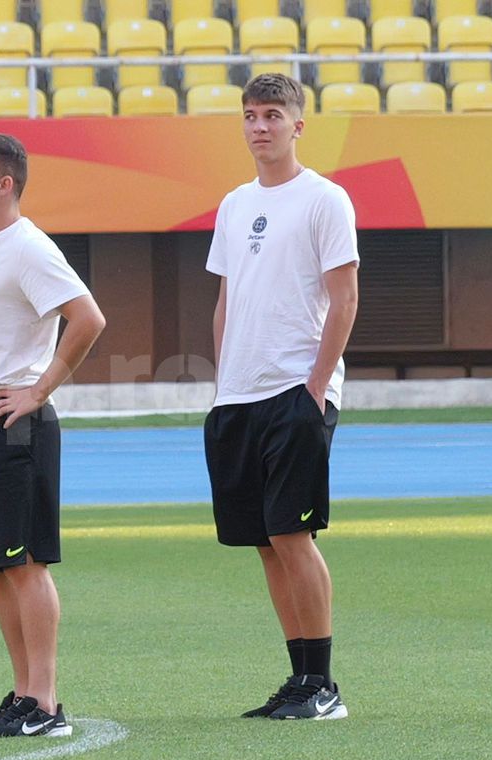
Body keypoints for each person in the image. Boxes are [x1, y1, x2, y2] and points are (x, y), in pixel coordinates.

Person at [203, 73, 360, 720]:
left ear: (298, 125)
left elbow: (345, 296)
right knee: (266, 542)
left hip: (296, 389)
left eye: (272, 115)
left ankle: (324, 685)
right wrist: (222, 385)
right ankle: (298, 678)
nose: (260, 126)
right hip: (238, 396)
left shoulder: (326, 199)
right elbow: (225, 300)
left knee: (293, 535)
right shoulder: (235, 204)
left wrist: (316, 385)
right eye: (250, 115)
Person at [0, 133, 106, 737]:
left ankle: (45, 703)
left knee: (25, 564)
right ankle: (21, 694)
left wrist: (38, 391)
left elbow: (88, 318)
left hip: (18, 425)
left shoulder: (29, 248)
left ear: (4, 184)